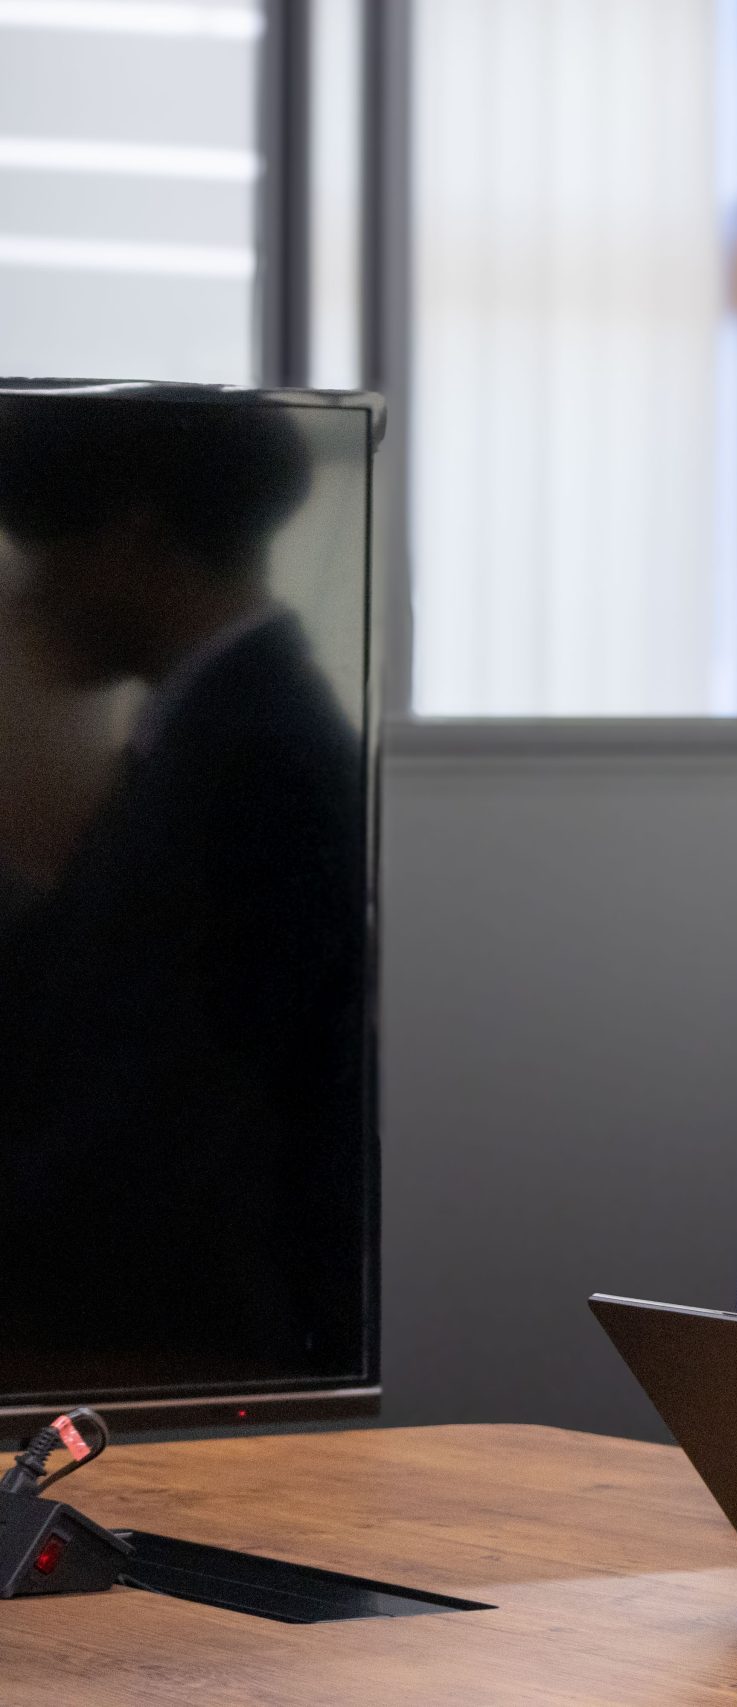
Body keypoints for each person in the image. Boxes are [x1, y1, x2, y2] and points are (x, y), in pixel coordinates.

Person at [0, 392, 368, 1392]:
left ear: (132, 536)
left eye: (41, 553)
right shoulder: (205, 736)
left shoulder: (259, 759)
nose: (29, 594)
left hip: (190, 1349)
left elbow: (166, 1107)